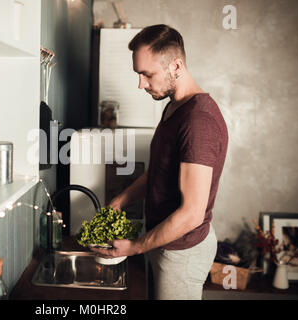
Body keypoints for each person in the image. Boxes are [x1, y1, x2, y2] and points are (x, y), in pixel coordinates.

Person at [91, 24, 229, 300]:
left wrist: (135, 246)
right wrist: (121, 200)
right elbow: (160, 172)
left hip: (182, 251)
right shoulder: (175, 107)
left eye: (147, 74)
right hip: (163, 240)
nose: (141, 84)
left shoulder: (198, 121)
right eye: (138, 73)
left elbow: (192, 214)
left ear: (176, 66)